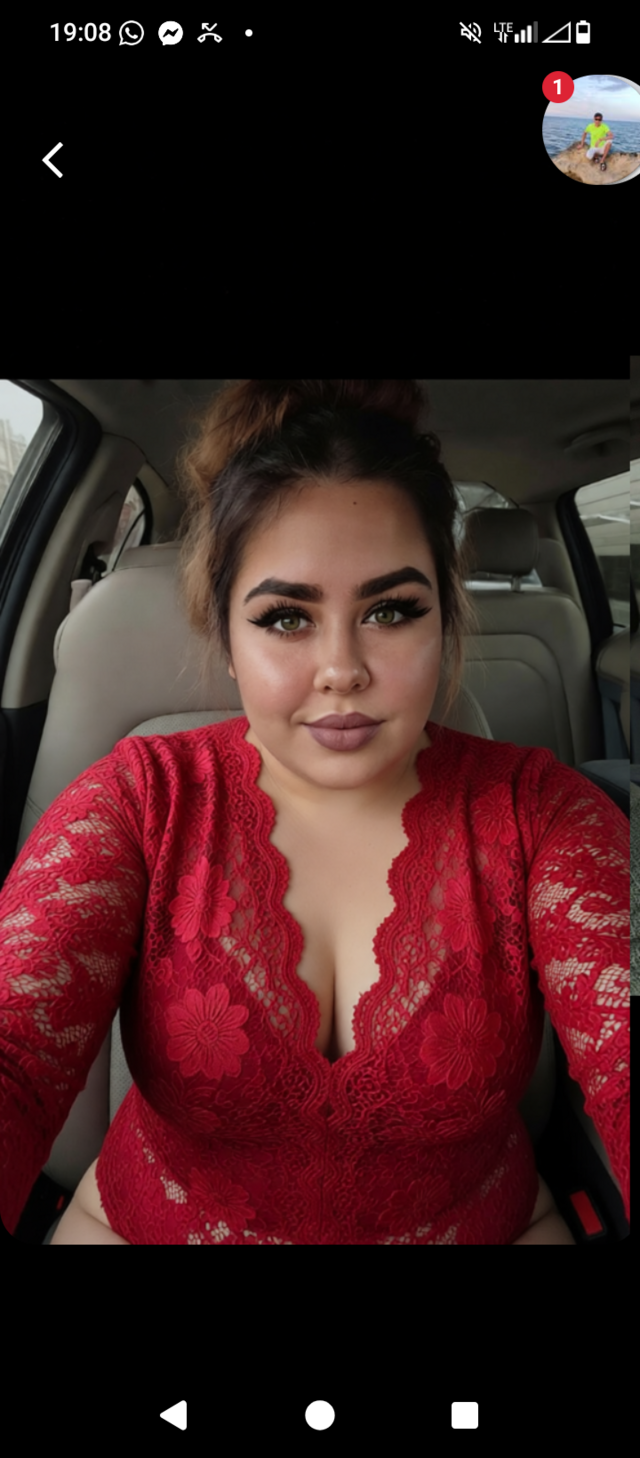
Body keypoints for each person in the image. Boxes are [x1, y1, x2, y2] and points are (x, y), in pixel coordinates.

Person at [0, 380, 630, 1244]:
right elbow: (13, 1053)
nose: (342, 668)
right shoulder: (141, 801)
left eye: (391, 610)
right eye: (287, 617)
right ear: (226, 636)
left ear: (446, 617)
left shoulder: (546, 815)